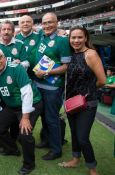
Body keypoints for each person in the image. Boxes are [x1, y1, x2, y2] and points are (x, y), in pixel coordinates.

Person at [58, 26, 105, 175]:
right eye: (73, 38)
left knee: (83, 137)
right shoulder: (71, 54)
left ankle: (92, 169)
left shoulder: (91, 54)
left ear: (86, 38)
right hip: (71, 102)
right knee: (74, 133)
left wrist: (86, 91)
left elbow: (102, 81)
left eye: (79, 37)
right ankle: (75, 159)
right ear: (69, 39)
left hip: (87, 103)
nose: (76, 40)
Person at [0, 48, 42, 175]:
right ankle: (12, 149)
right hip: (13, 107)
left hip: (31, 104)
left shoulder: (17, 68)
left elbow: (27, 93)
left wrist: (26, 117)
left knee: (25, 133)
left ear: (4, 57)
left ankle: (29, 164)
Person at [33, 12, 72, 160]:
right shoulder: (41, 35)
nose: (47, 25)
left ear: (57, 23)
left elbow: (65, 66)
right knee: (44, 116)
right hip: (39, 85)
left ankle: (56, 149)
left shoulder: (62, 41)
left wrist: (47, 72)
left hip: (53, 88)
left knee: (52, 118)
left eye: (51, 22)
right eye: (45, 23)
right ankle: (46, 140)